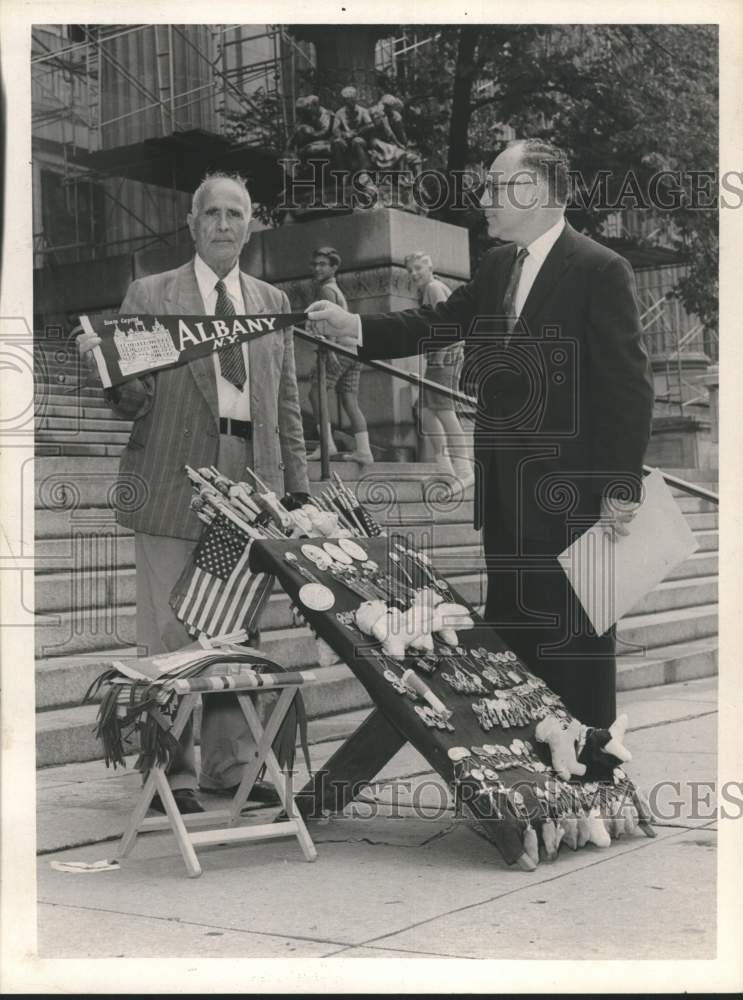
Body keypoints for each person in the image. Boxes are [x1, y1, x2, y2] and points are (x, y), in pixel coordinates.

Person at [307, 138, 654, 730]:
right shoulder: (497, 267)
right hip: (505, 505)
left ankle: (592, 786)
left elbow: (629, 389)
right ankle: (528, 792)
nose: (484, 198)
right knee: (515, 656)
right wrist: (354, 323)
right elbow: (435, 323)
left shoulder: (600, 269)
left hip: (578, 512)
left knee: (579, 652)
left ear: (534, 191)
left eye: (496, 186)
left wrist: (619, 492)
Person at [77, 171, 310, 812]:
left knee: (233, 627)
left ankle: (232, 766)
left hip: (250, 475)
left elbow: (286, 405)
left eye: (237, 213)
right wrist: (108, 370)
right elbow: (134, 400)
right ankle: (169, 771)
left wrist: (297, 493)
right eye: (213, 213)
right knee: (170, 627)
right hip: (171, 473)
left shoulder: (269, 301)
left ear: (252, 224)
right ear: (192, 224)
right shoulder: (151, 295)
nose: (225, 224)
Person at [404, 251, 473, 487]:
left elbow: (448, 324)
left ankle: (463, 468)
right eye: (410, 270)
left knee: (444, 411)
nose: (414, 274)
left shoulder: (433, 288)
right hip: (442, 357)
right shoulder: (431, 289)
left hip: (445, 358)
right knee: (426, 411)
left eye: (418, 268)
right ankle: (446, 468)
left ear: (430, 267)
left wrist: (440, 357)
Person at [305, 247, 374, 465]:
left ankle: (327, 446)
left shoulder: (327, 290)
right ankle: (364, 450)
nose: (317, 268)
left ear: (334, 267)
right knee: (349, 399)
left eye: (323, 264)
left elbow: (329, 322)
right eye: (315, 264)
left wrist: (330, 349)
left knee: (316, 393)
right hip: (354, 349)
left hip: (339, 349)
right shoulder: (335, 289)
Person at [331, 85, 376, 191]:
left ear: (355, 99)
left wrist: (356, 132)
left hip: (360, 139)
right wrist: (343, 135)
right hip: (346, 140)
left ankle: (364, 174)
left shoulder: (362, 111)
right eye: (347, 100)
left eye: (352, 99)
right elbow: (335, 129)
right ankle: (343, 174)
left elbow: (370, 125)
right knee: (337, 143)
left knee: (357, 141)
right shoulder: (340, 113)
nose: (350, 102)